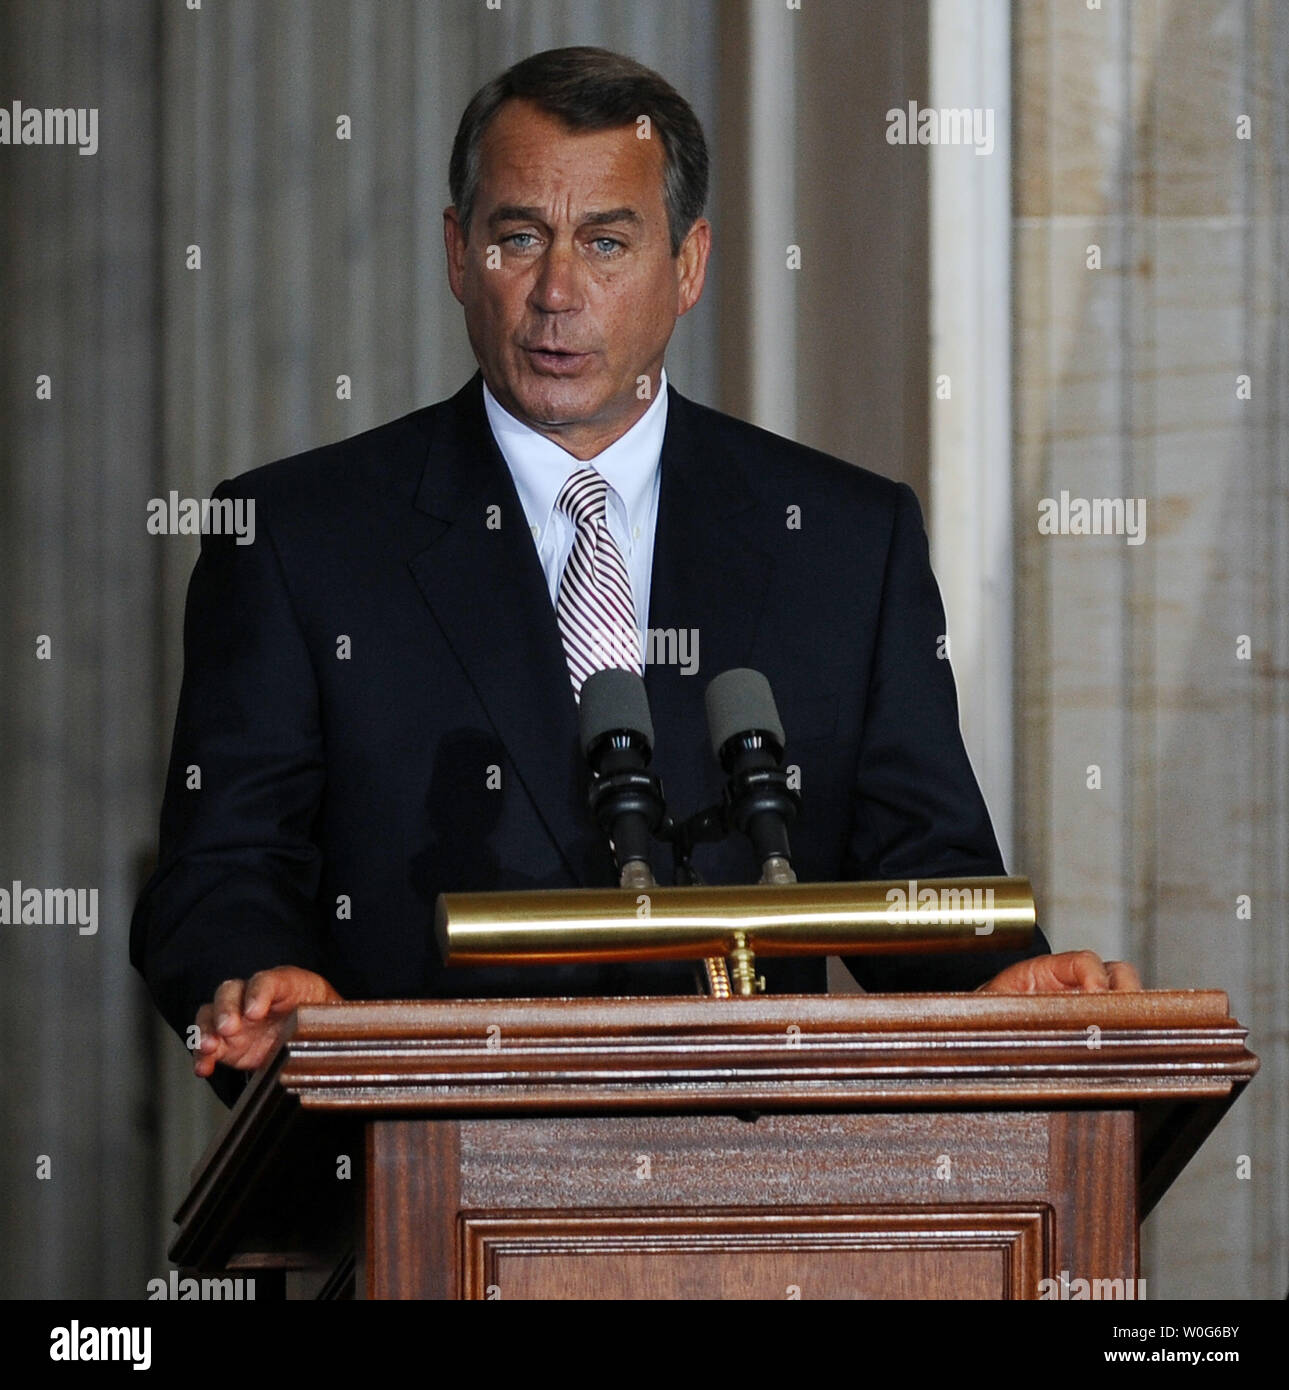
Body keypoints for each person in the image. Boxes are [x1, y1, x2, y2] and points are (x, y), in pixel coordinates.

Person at [130, 47, 1139, 1106]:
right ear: (455, 253)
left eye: (605, 242)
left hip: (757, 1204)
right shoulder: (298, 538)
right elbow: (219, 871)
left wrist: (999, 979)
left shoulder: (842, 541)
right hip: (417, 1184)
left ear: (688, 265)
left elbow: (922, 871)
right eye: (517, 237)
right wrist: (256, 982)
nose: (556, 292)